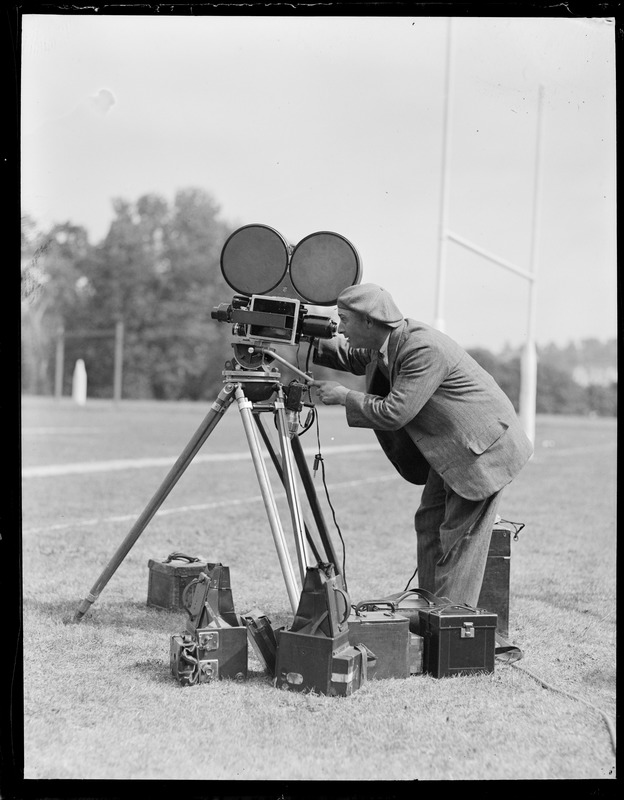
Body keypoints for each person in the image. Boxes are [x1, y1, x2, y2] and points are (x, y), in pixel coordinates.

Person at [312, 282, 533, 614]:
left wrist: (345, 396)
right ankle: (430, 611)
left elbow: (394, 412)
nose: (339, 328)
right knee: (430, 521)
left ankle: (451, 626)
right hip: (454, 447)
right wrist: (303, 337)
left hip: (482, 451)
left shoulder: (421, 349)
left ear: (370, 321)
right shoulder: (386, 343)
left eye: (344, 320)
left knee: (461, 540)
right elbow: (350, 355)